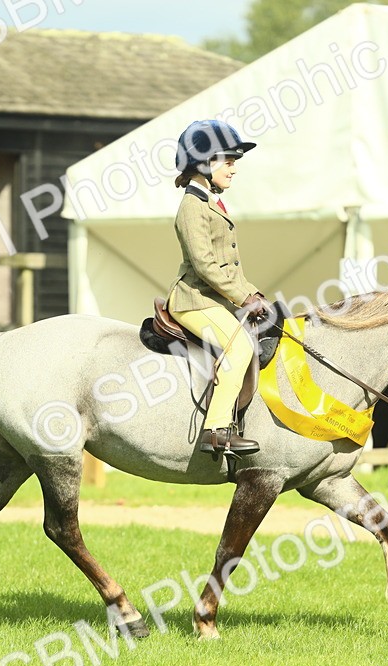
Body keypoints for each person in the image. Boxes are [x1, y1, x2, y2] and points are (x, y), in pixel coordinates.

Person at [166, 120, 269, 455]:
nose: (234, 169)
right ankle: (215, 431)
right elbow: (205, 264)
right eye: (229, 161)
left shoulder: (210, 202)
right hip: (192, 301)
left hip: (213, 300)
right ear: (204, 163)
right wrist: (242, 297)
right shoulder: (191, 207)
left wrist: (254, 294)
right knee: (239, 348)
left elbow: (229, 264)